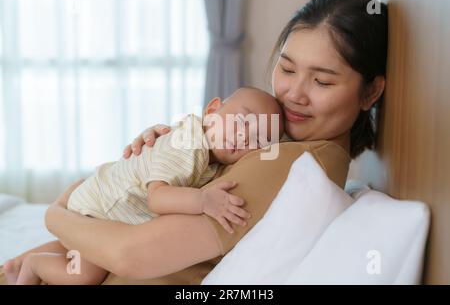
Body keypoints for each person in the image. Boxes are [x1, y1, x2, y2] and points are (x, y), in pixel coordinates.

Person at [0, 0, 388, 285]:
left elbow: (130, 254)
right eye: (286, 69)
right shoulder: (278, 145)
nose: (293, 93)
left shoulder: (294, 164)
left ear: (370, 93)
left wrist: (57, 213)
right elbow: (150, 211)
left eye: (321, 80)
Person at [5, 87, 284, 285]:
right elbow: (158, 199)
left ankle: (43, 254)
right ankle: (35, 265)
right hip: (101, 210)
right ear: (212, 110)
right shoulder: (188, 149)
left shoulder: (205, 151)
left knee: (76, 252)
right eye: (241, 120)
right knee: (84, 276)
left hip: (102, 201)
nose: (243, 135)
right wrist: (203, 201)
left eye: (258, 139)